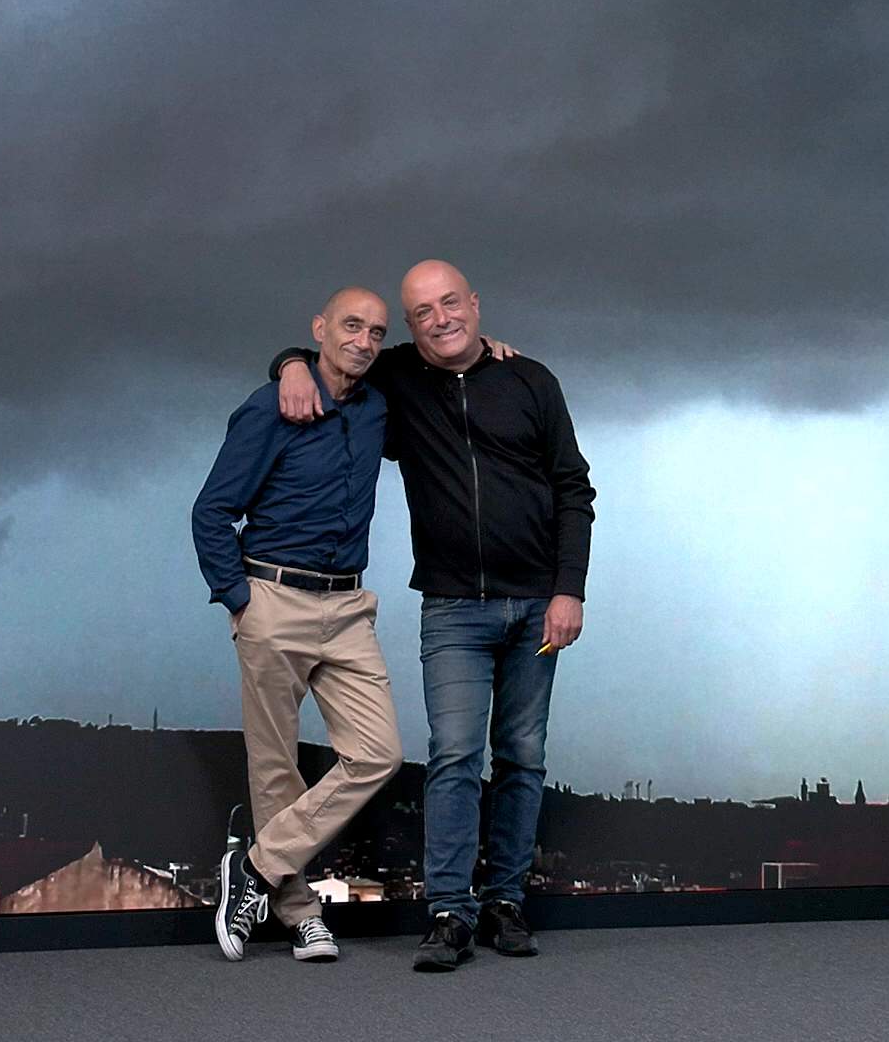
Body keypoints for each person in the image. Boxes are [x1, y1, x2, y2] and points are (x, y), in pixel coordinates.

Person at [271, 260, 595, 971]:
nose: (441, 318)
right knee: (453, 756)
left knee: (523, 758)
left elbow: (574, 487)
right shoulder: (401, 380)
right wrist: (290, 364)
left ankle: (506, 903)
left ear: (475, 305)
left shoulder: (532, 380)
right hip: (451, 609)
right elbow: (335, 357)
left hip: (539, 604)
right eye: (423, 312)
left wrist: (569, 590)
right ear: (411, 329)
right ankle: (449, 911)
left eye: (451, 303)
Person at [191, 286, 405, 964]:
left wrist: (493, 353)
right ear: (319, 327)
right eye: (351, 326)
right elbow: (211, 511)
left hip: (347, 607)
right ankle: (298, 908)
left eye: (376, 331)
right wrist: (239, 598)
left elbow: (440, 363)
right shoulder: (271, 407)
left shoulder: (377, 405)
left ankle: (251, 871)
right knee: (275, 766)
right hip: (273, 597)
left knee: (378, 754)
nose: (364, 341)